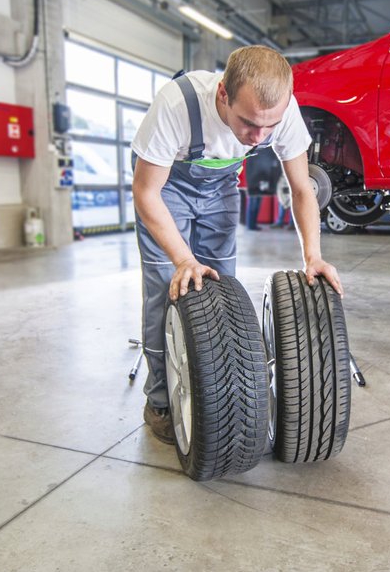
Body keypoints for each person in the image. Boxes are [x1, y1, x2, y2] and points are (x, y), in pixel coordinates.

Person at [131, 45, 344, 444]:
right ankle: (159, 399)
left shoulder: (282, 111)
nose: (260, 137)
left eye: (270, 126)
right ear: (223, 94)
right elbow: (145, 192)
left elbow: (302, 188)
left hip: (221, 185)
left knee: (221, 286)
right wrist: (182, 259)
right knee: (169, 286)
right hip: (165, 186)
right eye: (249, 124)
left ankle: (220, 389)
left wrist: (313, 255)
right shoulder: (177, 105)